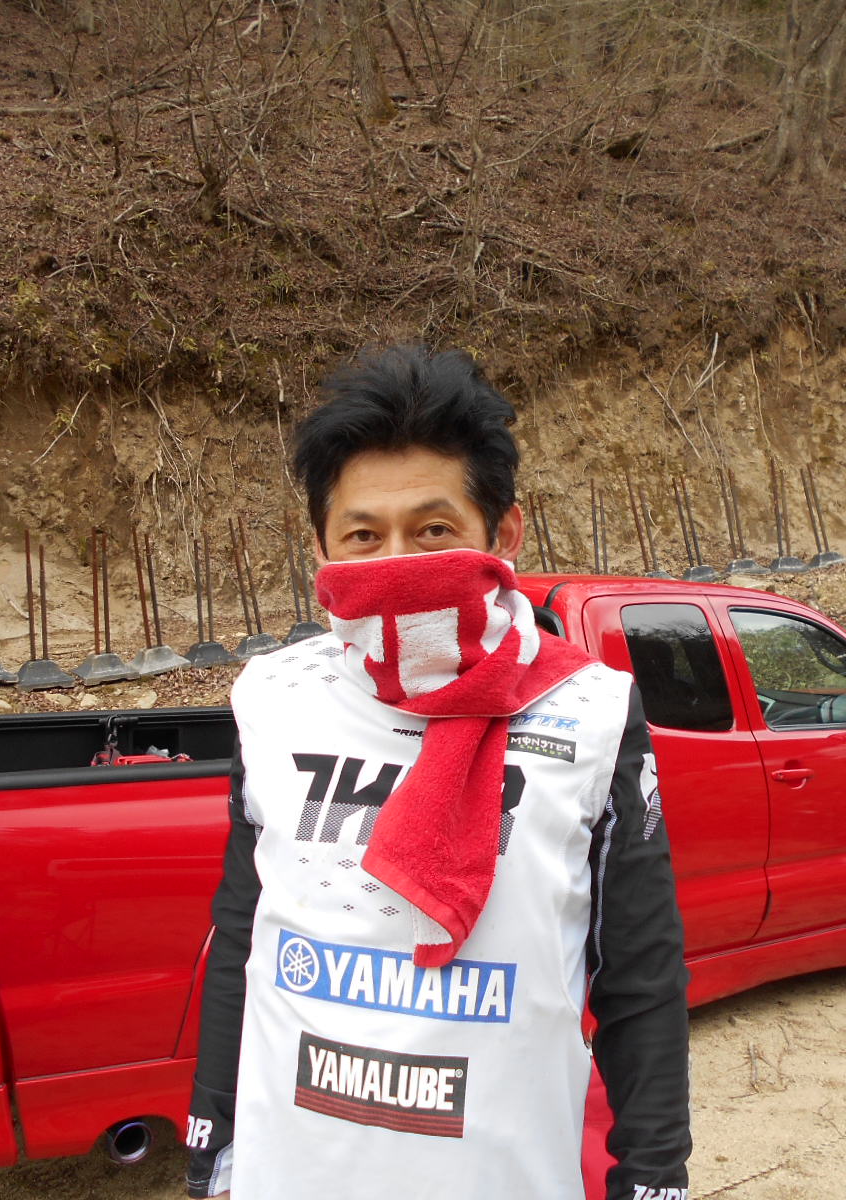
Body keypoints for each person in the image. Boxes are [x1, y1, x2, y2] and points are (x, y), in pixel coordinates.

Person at [184, 344, 691, 1200]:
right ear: (321, 549)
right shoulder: (272, 697)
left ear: (505, 534)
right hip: (294, 1175)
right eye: (363, 536)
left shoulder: (592, 710)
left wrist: (655, 1177)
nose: (398, 565)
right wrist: (214, 1145)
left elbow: (640, 976)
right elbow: (242, 933)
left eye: (433, 531)